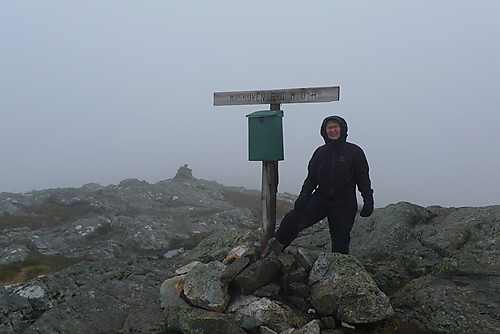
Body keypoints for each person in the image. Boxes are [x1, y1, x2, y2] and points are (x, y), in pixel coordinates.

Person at [265, 115, 374, 256]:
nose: (332, 130)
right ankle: (271, 254)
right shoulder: (320, 152)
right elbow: (311, 178)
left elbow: (363, 178)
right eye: (329, 128)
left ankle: (337, 272)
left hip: (344, 203)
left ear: (342, 129)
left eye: (336, 127)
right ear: (324, 131)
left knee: (340, 241)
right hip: (321, 199)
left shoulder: (354, 152)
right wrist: (304, 196)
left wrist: (368, 201)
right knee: (291, 220)